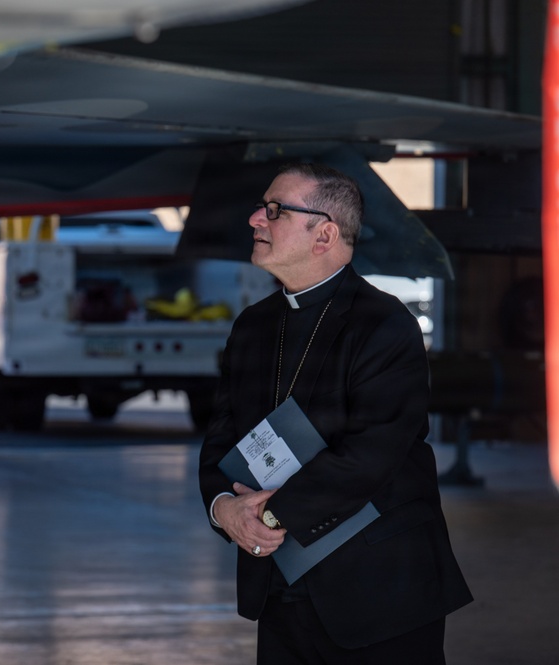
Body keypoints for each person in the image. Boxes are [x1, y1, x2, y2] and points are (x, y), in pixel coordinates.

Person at [198, 163, 472, 664]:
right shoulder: (253, 327)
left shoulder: (387, 324)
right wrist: (224, 509)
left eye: (275, 210)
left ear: (324, 234)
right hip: (280, 587)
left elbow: (371, 455)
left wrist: (267, 515)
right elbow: (222, 441)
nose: (256, 219)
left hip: (382, 591)